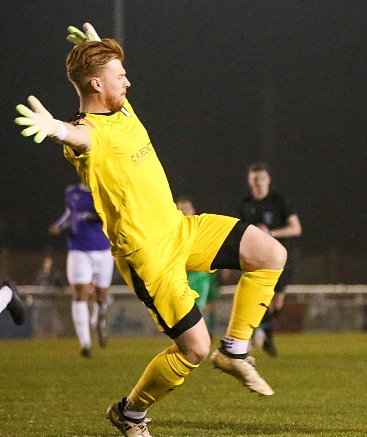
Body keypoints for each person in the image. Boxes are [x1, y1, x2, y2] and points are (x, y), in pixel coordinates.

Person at [15, 23, 286, 437]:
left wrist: (96, 46)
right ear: (95, 83)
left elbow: (105, 86)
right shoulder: (91, 132)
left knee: (270, 254)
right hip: (149, 257)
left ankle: (235, 350)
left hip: (181, 230)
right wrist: (54, 129)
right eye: (119, 76)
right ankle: (130, 412)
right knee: (194, 348)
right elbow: (78, 136)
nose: (128, 80)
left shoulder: (122, 110)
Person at [238, 162, 302, 357]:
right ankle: (267, 338)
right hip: (256, 259)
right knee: (261, 297)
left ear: (268, 180)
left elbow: (296, 229)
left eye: (261, 179)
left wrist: (271, 233)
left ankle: (261, 329)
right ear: (249, 181)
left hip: (280, 258)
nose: (258, 183)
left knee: (277, 302)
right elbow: (239, 232)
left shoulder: (278, 201)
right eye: (254, 179)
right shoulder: (245, 204)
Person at [50, 181, 114, 356]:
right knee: (80, 293)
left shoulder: (105, 190)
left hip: (103, 249)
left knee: (101, 296)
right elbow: (71, 214)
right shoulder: (72, 192)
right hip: (79, 249)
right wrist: (60, 225)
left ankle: (99, 320)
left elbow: (112, 214)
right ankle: (85, 344)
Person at [175, 196, 220, 335]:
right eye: (179, 209)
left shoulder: (200, 227)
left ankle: (205, 333)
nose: (183, 212)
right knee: (183, 309)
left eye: (185, 209)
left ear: (192, 210)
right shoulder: (172, 231)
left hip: (201, 273)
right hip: (181, 273)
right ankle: (189, 336)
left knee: (203, 306)